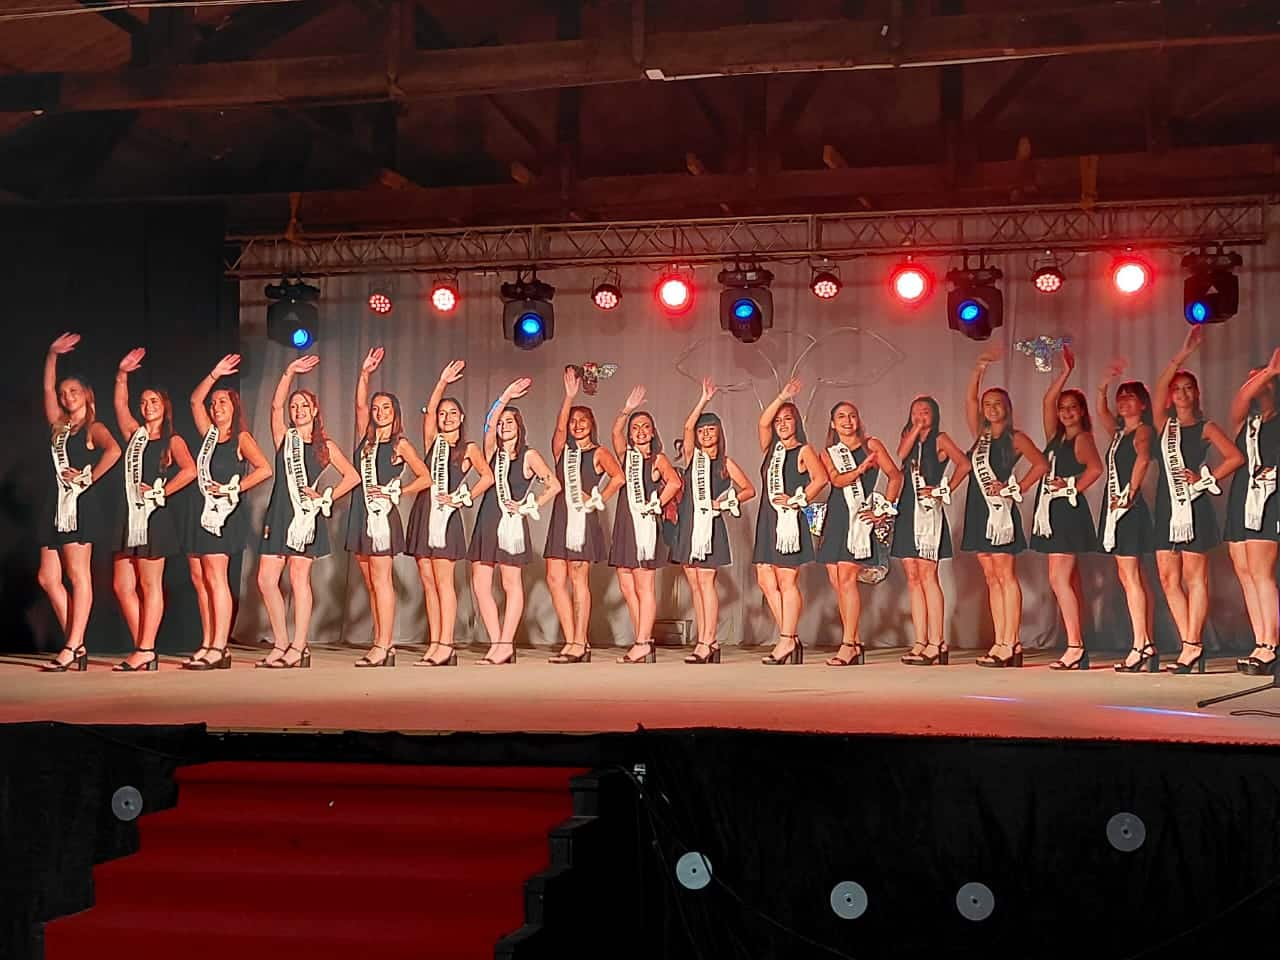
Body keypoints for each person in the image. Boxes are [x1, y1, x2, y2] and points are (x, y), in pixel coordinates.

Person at [256, 355, 360, 668]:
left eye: (304, 405)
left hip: (304, 517)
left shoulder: (324, 446)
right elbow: (274, 407)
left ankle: (299, 646)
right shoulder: (283, 438)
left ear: (315, 410)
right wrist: (288, 372)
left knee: (298, 578)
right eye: (294, 406)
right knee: (266, 579)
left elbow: (352, 477)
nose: (298, 410)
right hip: (279, 513)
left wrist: (325, 497)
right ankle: (281, 642)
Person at [1150, 328, 1244, 673]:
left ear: (1197, 393)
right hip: (1167, 506)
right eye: (1177, 389)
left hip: (1193, 506)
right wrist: (1182, 355)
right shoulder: (1164, 425)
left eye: (1188, 388)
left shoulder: (1206, 427)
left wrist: (1204, 481)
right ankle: (1188, 642)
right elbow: (1157, 390)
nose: (1182, 393)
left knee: (1195, 578)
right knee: (1167, 578)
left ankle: (1192, 645)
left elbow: (1235, 458)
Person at [38, 333, 121, 672]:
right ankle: (78, 643)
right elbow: (46, 389)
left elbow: (115, 451)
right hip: (55, 506)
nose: (67, 396)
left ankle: (72, 644)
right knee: (47, 578)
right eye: (64, 393)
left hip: (79, 507)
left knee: (77, 575)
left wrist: (87, 478)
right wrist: (52, 355)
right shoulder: (59, 426)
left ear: (86, 394)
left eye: (73, 391)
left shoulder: (92, 427)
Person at [183, 353, 272, 670]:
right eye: (214, 403)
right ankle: (208, 642)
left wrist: (234, 488)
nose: (216, 406)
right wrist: (214, 374)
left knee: (215, 576)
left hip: (222, 514)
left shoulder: (240, 438)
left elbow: (265, 469)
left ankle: (220, 646)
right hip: (199, 510)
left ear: (234, 407)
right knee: (199, 578)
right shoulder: (209, 434)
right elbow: (194, 401)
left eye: (222, 402)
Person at [111, 347, 197, 671]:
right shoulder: (135, 435)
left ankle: (145, 648)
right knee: (122, 585)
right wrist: (122, 374)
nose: (148, 406)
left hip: (153, 518)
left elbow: (190, 471)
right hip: (128, 516)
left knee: (150, 585)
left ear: (164, 406)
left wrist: (161, 492)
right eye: (144, 402)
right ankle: (144, 646)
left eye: (154, 401)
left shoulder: (172, 440)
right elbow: (119, 405)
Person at [404, 360, 494, 666]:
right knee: (428, 581)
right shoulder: (433, 441)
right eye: (443, 413)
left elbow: (487, 477)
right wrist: (441, 382)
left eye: (452, 413)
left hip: (446, 518)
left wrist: (461, 498)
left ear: (462, 417)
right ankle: (434, 643)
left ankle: (447, 644)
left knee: (444, 582)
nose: (446, 417)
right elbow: (429, 412)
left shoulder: (468, 448)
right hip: (424, 513)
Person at [962, 350, 1049, 668]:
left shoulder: (1016, 438)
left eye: (997, 403)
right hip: (978, 508)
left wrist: (1016, 488)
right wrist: (979, 367)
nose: (991, 408)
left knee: (1005, 575)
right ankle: (1000, 641)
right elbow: (970, 400)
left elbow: (1041, 464)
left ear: (1007, 408)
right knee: (990, 576)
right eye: (988, 404)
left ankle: (1011, 642)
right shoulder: (980, 435)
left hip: (1000, 512)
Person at [346, 347, 431, 667]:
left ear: (395, 413)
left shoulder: (400, 444)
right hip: (360, 513)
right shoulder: (366, 440)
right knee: (370, 582)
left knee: (381, 580)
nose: (380, 412)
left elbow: (425, 477)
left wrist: (398, 492)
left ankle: (383, 645)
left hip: (381, 516)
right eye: (376, 408)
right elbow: (358, 404)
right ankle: (384, 642)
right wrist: (364, 373)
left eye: (386, 408)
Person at [468, 377, 561, 665]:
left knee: (510, 583)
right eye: (502, 422)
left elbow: (554, 485)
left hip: (511, 524)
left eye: (510, 422)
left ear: (520, 427)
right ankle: (497, 642)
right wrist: (506, 396)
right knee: (480, 584)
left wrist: (527, 506)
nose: (504, 425)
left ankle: (506, 643)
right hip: (487, 519)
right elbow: (488, 424)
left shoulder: (529, 455)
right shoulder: (491, 452)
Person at [669, 378, 756, 664]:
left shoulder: (725, 463)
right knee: (694, 584)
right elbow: (686, 428)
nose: (705, 434)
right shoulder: (692, 458)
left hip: (710, 527)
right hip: (688, 526)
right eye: (702, 430)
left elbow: (749, 490)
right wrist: (703, 400)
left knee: (706, 583)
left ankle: (707, 641)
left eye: (711, 430)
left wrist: (725, 503)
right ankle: (706, 640)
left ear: (719, 433)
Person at [544, 366, 624, 663]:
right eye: (573, 421)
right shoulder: (561, 449)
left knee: (578, 578)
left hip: (583, 519)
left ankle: (580, 642)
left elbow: (619, 478)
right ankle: (572, 640)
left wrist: (597, 498)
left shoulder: (599, 452)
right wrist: (569, 397)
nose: (577, 425)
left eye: (583, 420)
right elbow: (559, 431)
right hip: (561, 517)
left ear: (592, 424)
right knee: (555, 578)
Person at [1029, 347, 1102, 670]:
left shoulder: (1082, 438)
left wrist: (1070, 487)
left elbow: (1096, 469)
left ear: (1082, 411)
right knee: (1065, 580)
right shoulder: (1056, 437)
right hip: (1052, 512)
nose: (1066, 412)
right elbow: (1047, 402)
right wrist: (1065, 373)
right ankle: (1076, 643)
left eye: (1072, 407)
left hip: (1066, 512)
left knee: (1059, 579)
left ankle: (1075, 646)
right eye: (1064, 408)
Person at [816, 400, 903, 666]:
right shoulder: (828, 453)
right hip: (837, 517)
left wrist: (884, 510)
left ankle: (848, 645)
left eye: (852, 416)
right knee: (837, 580)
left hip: (859, 519)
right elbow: (837, 480)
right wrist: (860, 469)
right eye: (841, 416)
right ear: (833, 424)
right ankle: (854, 640)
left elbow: (895, 476)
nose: (847, 421)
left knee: (847, 578)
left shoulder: (871, 445)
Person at [753, 378, 829, 665]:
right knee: (765, 579)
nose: (782, 424)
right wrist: (782, 396)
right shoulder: (771, 448)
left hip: (788, 521)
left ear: (797, 422)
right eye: (779, 420)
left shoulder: (803, 450)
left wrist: (799, 499)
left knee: (787, 580)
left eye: (787, 419)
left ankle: (786, 639)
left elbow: (821, 479)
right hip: (767, 519)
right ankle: (791, 637)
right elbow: (762, 422)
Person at [891, 396, 971, 666]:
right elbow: (900, 455)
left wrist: (942, 490)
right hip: (907, 510)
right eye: (915, 412)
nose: (920, 415)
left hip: (927, 512)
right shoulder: (909, 438)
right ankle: (920, 641)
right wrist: (915, 429)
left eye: (925, 412)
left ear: (934, 415)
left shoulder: (941, 439)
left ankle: (937, 642)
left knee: (928, 575)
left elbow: (964, 464)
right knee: (912, 577)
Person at [609, 386, 683, 663]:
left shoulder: (657, 459)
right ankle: (643, 638)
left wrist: (657, 503)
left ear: (653, 433)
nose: (640, 431)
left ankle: (641, 642)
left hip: (643, 527)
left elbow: (674, 482)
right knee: (626, 584)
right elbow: (615, 433)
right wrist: (627, 409)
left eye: (645, 427)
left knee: (643, 585)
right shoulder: (626, 456)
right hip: (624, 523)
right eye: (635, 427)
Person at [1095, 363, 1159, 672]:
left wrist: (1129, 493)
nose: (1123, 401)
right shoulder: (1120, 434)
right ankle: (1145, 642)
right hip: (1117, 508)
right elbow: (1102, 413)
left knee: (1131, 576)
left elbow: (1143, 458)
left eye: (1130, 397)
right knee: (1132, 576)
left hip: (1128, 508)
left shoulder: (1143, 430)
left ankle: (1141, 645)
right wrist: (1104, 386)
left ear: (1143, 404)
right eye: (1121, 397)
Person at [1225, 348, 1280, 675]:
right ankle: (1260, 641)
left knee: (1261, 571)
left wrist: (1270, 372)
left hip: (1269, 497)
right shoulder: (1247, 422)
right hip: (1242, 496)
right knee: (1244, 571)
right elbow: (1239, 401)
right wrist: (1266, 372)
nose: (1252, 385)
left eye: (1259, 379)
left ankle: (1272, 644)